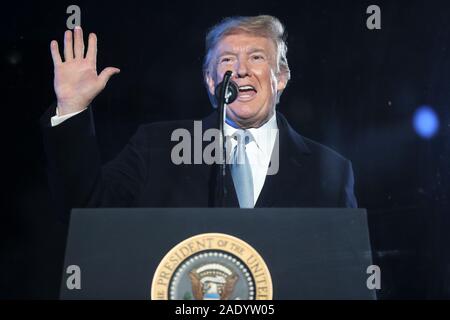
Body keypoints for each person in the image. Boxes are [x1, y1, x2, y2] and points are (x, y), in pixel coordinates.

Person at [41, 15, 357, 219]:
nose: (242, 69)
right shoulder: (156, 148)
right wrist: (71, 109)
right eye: (228, 59)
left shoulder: (330, 170)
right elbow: (85, 211)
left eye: (257, 57)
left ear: (282, 77)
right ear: (210, 80)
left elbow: (348, 274)